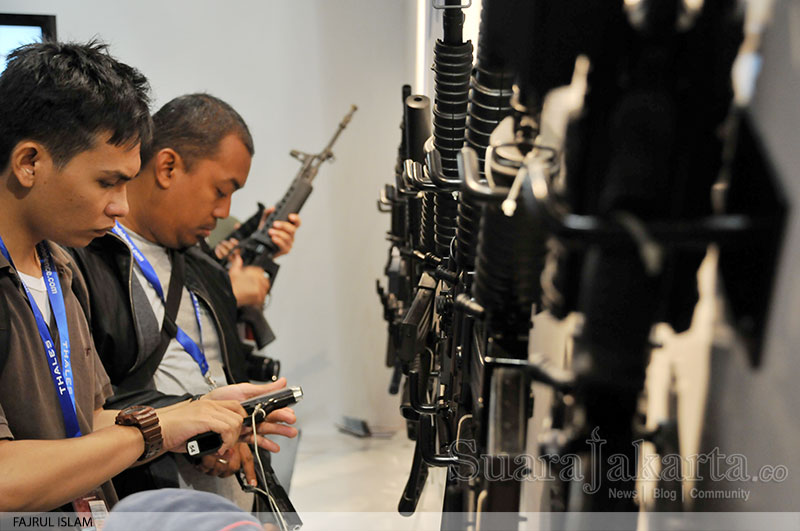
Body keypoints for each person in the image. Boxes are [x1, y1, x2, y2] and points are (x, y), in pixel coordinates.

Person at [0, 40, 289, 513]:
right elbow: (5, 479)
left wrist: (195, 412)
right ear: (30, 162)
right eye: (107, 182)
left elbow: (90, 420)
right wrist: (157, 428)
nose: (121, 205)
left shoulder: (59, 266)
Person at [70, 93, 299, 510]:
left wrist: (238, 423)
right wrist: (189, 421)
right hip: (144, 497)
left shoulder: (204, 265)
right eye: (220, 190)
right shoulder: (82, 259)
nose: (225, 210)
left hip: (231, 491)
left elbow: (222, 367)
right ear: (168, 166)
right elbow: (83, 405)